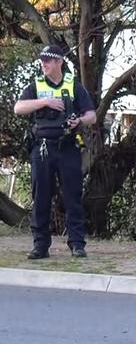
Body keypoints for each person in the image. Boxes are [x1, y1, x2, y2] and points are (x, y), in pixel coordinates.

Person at [14, 44, 96, 259]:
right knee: (40, 197)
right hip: (42, 147)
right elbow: (18, 108)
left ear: (59, 62)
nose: (44, 64)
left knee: (73, 197)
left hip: (67, 147)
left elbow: (92, 116)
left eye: (48, 60)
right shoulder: (37, 85)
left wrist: (78, 120)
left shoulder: (73, 85)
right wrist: (45, 102)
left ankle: (77, 244)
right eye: (42, 60)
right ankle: (40, 246)